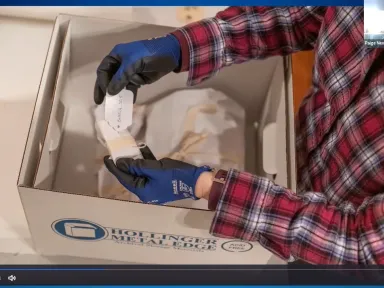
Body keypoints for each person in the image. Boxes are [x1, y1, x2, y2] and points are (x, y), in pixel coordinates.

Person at [94, 6, 384, 264]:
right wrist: (183, 47)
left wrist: (207, 187)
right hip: (298, 153)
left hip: (318, 252)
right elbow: (306, 17)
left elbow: (360, 248)